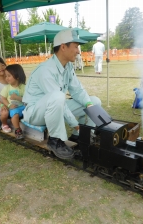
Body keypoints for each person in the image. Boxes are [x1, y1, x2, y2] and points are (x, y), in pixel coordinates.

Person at [22, 29, 102, 160]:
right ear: (63, 47)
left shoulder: (68, 67)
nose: (78, 51)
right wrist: (75, 124)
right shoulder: (46, 70)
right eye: (76, 46)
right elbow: (58, 99)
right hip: (35, 113)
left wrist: (89, 104)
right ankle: (55, 140)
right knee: (58, 96)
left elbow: (77, 90)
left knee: (95, 102)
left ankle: (81, 136)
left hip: (56, 106)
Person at [0, 64, 26, 139]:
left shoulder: (24, 87)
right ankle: (17, 129)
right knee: (15, 116)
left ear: (17, 76)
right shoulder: (7, 88)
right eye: (6, 76)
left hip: (24, 107)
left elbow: (27, 99)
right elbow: (3, 98)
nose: (6, 78)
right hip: (14, 108)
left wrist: (17, 97)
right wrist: (9, 105)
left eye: (9, 76)